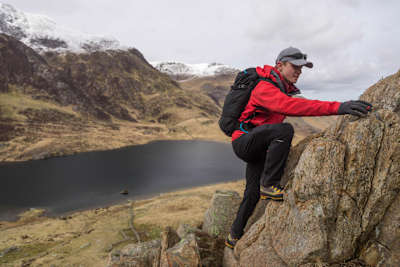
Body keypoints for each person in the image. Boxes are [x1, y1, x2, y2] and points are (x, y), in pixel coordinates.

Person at [225, 47, 372, 249]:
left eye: (302, 68)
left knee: (252, 193)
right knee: (284, 130)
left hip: (258, 146)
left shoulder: (282, 88)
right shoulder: (265, 88)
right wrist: (339, 107)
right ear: (280, 65)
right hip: (244, 141)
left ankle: (233, 236)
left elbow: (304, 104)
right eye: (295, 66)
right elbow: (290, 107)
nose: (299, 71)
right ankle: (269, 184)